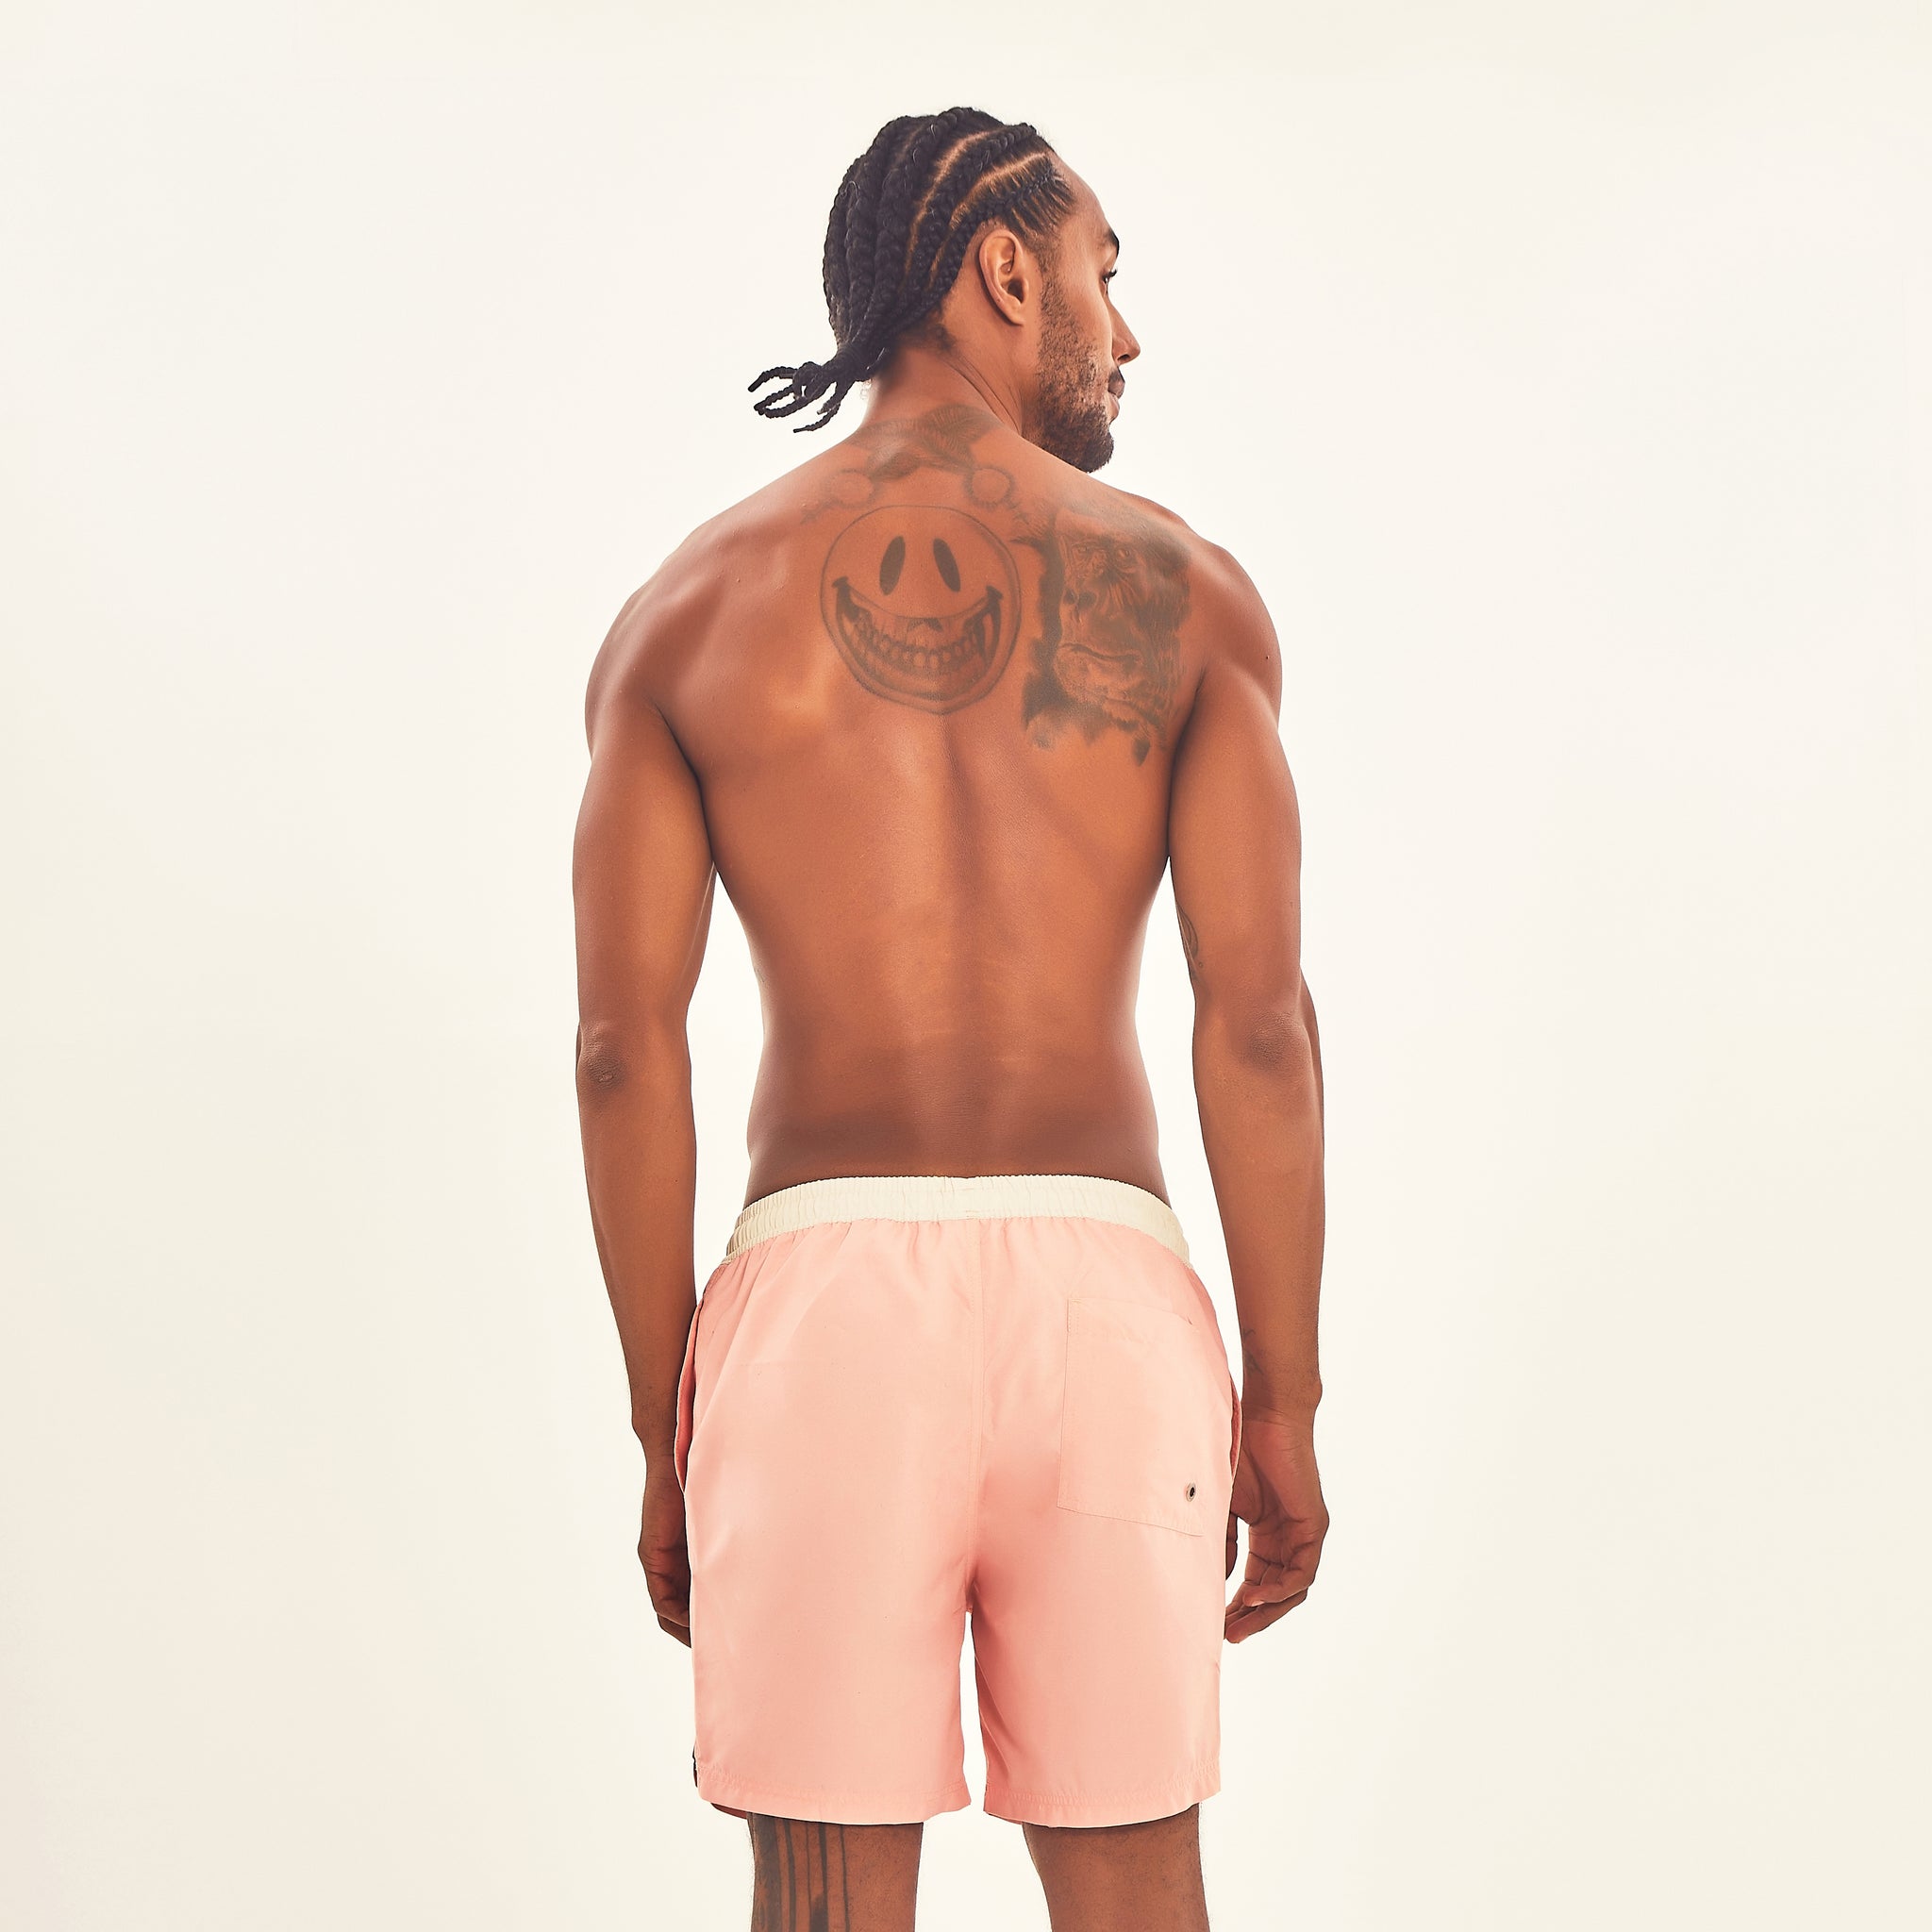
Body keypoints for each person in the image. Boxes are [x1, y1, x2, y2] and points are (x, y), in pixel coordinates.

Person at [573, 107, 1327, 1932]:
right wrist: (1286, 1403)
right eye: (1099, 276)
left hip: (820, 1321)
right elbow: (1258, 1029)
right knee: (1142, 1896)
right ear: (1003, 270)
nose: (1124, 331)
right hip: (1106, 1315)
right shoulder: (1183, 596)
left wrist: (665, 1428)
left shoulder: (687, 614)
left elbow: (623, 1052)